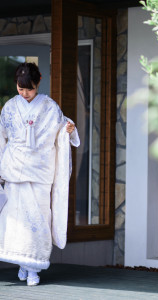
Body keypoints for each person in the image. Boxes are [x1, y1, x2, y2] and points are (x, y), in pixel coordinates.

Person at [0, 62, 80, 286]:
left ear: (39, 83)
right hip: (15, 172)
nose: (25, 93)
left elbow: (62, 130)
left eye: (30, 89)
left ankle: (33, 266)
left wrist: (69, 130)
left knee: (38, 220)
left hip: (41, 173)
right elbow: (1, 137)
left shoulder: (50, 107)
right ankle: (24, 264)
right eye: (20, 88)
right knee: (16, 223)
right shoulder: (9, 107)